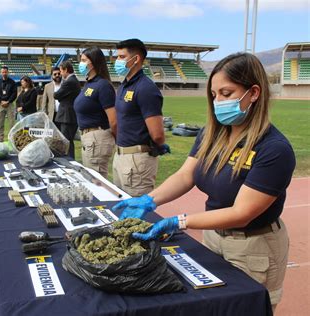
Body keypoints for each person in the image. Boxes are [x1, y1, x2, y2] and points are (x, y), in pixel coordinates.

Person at [113, 52, 295, 311]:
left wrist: (179, 221)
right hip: (213, 237)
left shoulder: (274, 149)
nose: (218, 101)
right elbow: (186, 175)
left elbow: (241, 213)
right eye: (214, 94)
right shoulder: (211, 134)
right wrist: (150, 199)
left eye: (227, 93)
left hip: (254, 247)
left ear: (253, 93)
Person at [112, 38, 169, 197]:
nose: (117, 61)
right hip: (120, 156)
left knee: (137, 216)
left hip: (137, 161)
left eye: (122, 57)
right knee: (120, 208)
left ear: (136, 59)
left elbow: (157, 134)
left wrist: (159, 144)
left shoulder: (146, 88)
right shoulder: (124, 85)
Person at [73, 46, 116, 178]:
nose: (81, 63)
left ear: (94, 62)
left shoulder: (103, 85)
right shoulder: (89, 83)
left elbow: (113, 120)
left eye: (84, 60)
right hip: (88, 137)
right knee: (90, 178)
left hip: (97, 137)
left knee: (96, 180)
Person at [54, 61, 81, 158]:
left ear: (66, 70)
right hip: (68, 115)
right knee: (68, 142)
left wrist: (60, 97)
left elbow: (56, 95)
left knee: (67, 142)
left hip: (67, 116)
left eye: (61, 71)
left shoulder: (69, 82)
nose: (60, 74)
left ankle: (70, 161)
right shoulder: (73, 80)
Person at [0, 66, 17, 142]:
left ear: (8, 72)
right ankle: (0, 138)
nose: (4, 73)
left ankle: (12, 138)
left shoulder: (12, 82)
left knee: (12, 123)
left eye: (5, 72)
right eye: (3, 72)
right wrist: (0, 101)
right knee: (0, 124)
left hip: (9, 105)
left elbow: (14, 93)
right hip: (0, 105)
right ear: (1, 73)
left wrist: (8, 101)